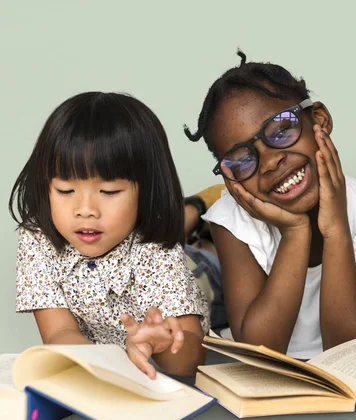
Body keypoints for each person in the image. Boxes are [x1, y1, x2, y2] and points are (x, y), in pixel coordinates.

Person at [183, 51, 356, 359]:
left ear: (319, 120)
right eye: (242, 160)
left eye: (281, 130)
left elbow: (349, 352)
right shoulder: (231, 219)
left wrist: (335, 228)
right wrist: (295, 231)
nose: (270, 162)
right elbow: (259, 351)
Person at [10, 92, 210, 379]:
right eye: (65, 191)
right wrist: (106, 366)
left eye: (109, 192)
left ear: (147, 189)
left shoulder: (157, 251)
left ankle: (198, 214)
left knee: (208, 266)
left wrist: (165, 343)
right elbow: (58, 332)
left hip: (201, 277)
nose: (86, 210)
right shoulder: (37, 240)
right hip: (119, 342)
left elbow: (192, 359)